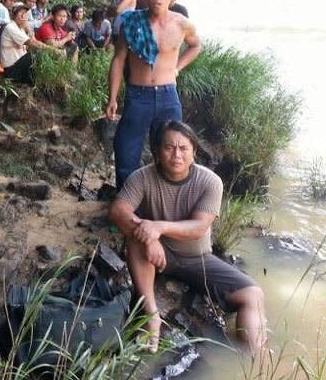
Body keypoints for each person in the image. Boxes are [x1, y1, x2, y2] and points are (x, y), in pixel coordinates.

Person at [109, 120, 266, 355]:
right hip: (155, 254)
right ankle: (151, 316)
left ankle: (254, 360)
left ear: (194, 152)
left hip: (197, 257)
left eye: (183, 148)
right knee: (137, 235)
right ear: (157, 152)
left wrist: (158, 227)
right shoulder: (142, 177)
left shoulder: (210, 181)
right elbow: (118, 211)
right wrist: (151, 238)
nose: (176, 155)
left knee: (252, 294)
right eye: (169, 147)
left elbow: (199, 227)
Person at [105, 0, 201, 190]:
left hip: (169, 96)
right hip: (138, 96)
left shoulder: (182, 24)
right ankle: (126, 207)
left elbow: (196, 46)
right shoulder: (131, 23)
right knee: (126, 152)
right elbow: (118, 60)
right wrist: (112, 98)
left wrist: (177, 68)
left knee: (171, 153)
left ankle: (165, 205)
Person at [0, 3, 53, 84]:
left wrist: (29, 29)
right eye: (20, 13)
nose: (23, 16)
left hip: (19, 66)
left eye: (25, 14)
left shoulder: (20, 29)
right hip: (11, 70)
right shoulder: (10, 27)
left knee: (39, 53)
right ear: (13, 15)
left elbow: (33, 43)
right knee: (36, 53)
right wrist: (53, 50)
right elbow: (33, 43)